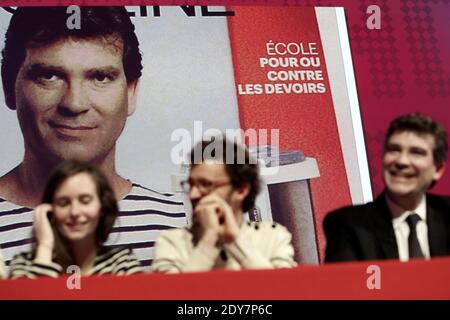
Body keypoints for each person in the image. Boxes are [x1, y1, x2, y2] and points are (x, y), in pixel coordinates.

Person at [0, 6, 187, 272]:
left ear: (131, 92)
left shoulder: (189, 225)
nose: (74, 103)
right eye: (49, 76)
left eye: (100, 77)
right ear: (9, 87)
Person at [152, 137, 296, 272]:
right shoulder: (172, 241)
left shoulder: (273, 236)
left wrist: (236, 240)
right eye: (190, 185)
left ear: (241, 190)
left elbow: (282, 291)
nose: (193, 194)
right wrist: (208, 242)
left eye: (205, 184)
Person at [324, 113, 450, 262]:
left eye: (416, 152)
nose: (402, 161)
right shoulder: (349, 225)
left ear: (438, 169)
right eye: (394, 150)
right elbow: (347, 284)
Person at [10, 160, 143, 278]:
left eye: (85, 201)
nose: (74, 212)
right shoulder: (23, 265)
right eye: (64, 203)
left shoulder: (122, 262)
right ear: (50, 209)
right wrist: (44, 248)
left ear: (102, 207)